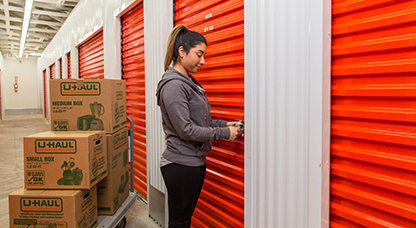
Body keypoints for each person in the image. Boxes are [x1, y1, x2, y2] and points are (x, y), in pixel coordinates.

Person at [156, 24, 241, 228]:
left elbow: (199, 121)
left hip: (193, 162)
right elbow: (186, 130)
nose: (203, 61)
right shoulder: (174, 85)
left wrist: (224, 124)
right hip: (180, 165)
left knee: (184, 220)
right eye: (199, 54)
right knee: (180, 223)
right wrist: (224, 133)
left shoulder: (188, 82)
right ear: (182, 51)